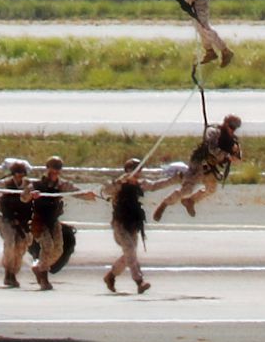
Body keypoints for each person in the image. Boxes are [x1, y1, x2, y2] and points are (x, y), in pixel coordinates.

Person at [100, 158, 180, 295]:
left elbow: (156, 185)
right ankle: (139, 281)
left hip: (132, 224)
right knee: (130, 250)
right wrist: (120, 181)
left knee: (129, 255)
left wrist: (175, 179)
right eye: (135, 170)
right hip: (120, 224)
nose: (138, 174)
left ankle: (111, 276)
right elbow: (105, 190)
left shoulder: (140, 184)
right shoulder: (120, 184)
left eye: (139, 171)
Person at [21, 156, 96, 291]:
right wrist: (31, 195)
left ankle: (39, 267)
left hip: (53, 221)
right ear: (47, 168)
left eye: (57, 169)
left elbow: (76, 192)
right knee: (47, 245)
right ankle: (43, 276)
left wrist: (87, 195)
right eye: (52, 168)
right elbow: (23, 197)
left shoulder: (61, 185)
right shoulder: (36, 185)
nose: (55, 172)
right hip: (39, 221)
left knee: (59, 249)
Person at [153, 114, 242, 221]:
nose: (233, 130)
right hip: (199, 162)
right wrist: (227, 156)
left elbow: (238, 157)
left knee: (211, 188)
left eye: (235, 128)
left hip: (210, 167)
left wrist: (235, 155)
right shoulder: (214, 132)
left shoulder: (232, 140)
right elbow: (212, 149)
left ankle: (190, 201)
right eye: (231, 127)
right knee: (187, 189)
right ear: (225, 124)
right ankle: (165, 204)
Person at [149, 0, 233, 67]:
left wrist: (189, 2)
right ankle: (210, 51)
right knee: (199, 27)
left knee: (204, 27)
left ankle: (225, 51)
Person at [0, 159, 34, 288]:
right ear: (13, 173)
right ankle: (9, 274)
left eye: (22, 172)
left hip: (23, 222)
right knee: (10, 245)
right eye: (17, 172)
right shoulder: (5, 184)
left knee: (20, 248)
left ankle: (13, 272)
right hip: (7, 220)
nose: (19, 175)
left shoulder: (30, 186)